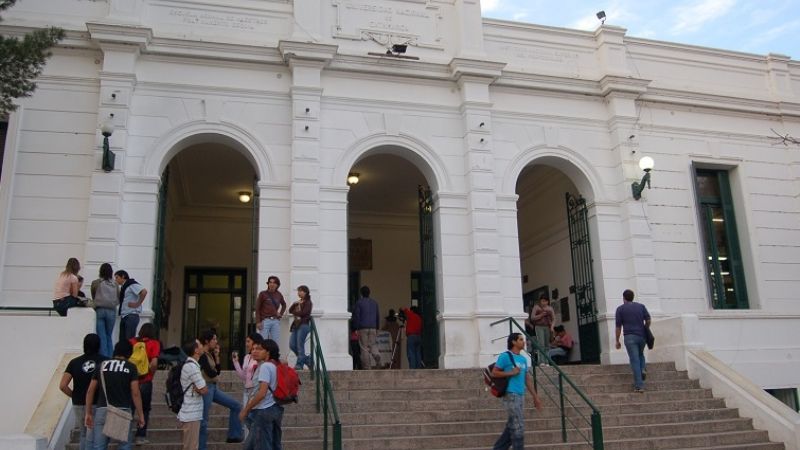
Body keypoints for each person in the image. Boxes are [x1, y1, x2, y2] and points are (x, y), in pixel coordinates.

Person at [84, 340, 145, 450]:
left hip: (103, 409)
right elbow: (135, 392)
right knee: (124, 446)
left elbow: (90, 391)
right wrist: (141, 414)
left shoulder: (101, 365)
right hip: (123, 410)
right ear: (129, 353)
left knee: (99, 447)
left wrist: (88, 413)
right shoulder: (131, 367)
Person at [492, 332, 543, 450]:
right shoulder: (505, 356)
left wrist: (535, 397)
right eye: (520, 339)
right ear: (513, 342)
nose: (523, 342)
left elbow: (527, 379)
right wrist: (511, 372)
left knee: (512, 425)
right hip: (510, 394)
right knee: (518, 426)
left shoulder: (523, 359)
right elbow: (494, 372)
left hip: (520, 395)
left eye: (523, 339)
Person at [60, 333, 107, 450]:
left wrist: (74, 396)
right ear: (99, 345)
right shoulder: (105, 361)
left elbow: (63, 385)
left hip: (78, 404)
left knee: (84, 434)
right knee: (95, 436)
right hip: (97, 403)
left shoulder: (74, 362)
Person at [198, 330, 244, 449]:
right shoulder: (202, 354)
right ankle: (201, 447)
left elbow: (217, 371)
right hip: (206, 387)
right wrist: (215, 372)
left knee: (236, 405)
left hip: (213, 387)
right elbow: (210, 372)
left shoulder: (210, 354)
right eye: (214, 339)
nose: (216, 341)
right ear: (207, 341)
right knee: (203, 420)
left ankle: (234, 435)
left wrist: (217, 356)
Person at [239, 339, 284, 450]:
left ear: (268, 352)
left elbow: (262, 393)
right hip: (276, 407)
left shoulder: (265, 366)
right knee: (275, 444)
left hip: (264, 409)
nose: (258, 351)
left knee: (262, 445)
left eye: (261, 349)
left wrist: (246, 409)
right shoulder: (276, 365)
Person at [129, 323, 160, 444]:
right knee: (145, 409)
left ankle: (125, 433)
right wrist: (151, 374)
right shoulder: (154, 343)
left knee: (130, 408)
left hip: (131, 380)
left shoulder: (132, 341)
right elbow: (154, 363)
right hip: (145, 380)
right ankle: (140, 436)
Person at [615, 289, 651, 393]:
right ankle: (643, 368)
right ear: (632, 297)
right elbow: (648, 320)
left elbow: (618, 327)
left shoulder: (620, 309)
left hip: (629, 337)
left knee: (634, 360)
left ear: (624, 298)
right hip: (642, 336)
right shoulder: (641, 306)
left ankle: (639, 386)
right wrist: (646, 328)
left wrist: (617, 340)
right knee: (640, 354)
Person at [179, 338, 208, 450]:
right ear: (196, 350)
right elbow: (204, 389)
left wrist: (199, 388)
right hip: (191, 414)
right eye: (200, 344)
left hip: (191, 413)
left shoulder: (192, 365)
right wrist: (200, 388)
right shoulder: (192, 367)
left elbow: (201, 388)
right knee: (191, 447)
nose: (202, 346)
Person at [91, 263, 118, 358]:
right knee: (108, 336)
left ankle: (103, 358)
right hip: (111, 311)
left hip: (100, 310)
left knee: (101, 336)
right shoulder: (115, 284)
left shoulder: (96, 282)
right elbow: (118, 296)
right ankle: (109, 358)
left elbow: (93, 296)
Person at [352, 285, 381, 370]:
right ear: (369, 293)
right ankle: (377, 355)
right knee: (373, 345)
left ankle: (367, 367)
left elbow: (357, 316)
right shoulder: (374, 303)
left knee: (364, 348)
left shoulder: (359, 303)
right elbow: (377, 316)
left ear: (361, 293)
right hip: (373, 327)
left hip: (363, 328)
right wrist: (377, 327)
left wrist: (356, 328)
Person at [114, 270, 147, 341]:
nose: (115, 280)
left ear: (123, 276)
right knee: (122, 341)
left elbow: (144, 291)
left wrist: (138, 303)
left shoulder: (131, 284)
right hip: (124, 315)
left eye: (117, 277)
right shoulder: (124, 287)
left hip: (131, 315)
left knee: (129, 340)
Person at [233, 332, 263, 406]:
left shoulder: (261, 358)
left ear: (255, 342)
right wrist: (236, 362)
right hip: (247, 390)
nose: (246, 344)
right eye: (246, 342)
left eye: (248, 341)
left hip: (256, 390)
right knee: (246, 411)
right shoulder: (247, 357)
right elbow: (244, 377)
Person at [288, 285, 313, 370]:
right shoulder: (298, 302)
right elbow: (290, 310)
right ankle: (307, 360)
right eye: (298, 291)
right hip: (296, 325)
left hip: (303, 325)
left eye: (301, 291)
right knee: (292, 345)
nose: (299, 293)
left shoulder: (308, 302)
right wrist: (294, 304)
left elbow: (304, 313)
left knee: (300, 345)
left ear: (305, 292)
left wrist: (295, 312)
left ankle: (299, 364)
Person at [255, 276, 286, 341]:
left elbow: (284, 304)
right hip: (265, 321)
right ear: (268, 284)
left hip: (275, 321)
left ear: (277, 285)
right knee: (263, 341)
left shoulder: (279, 294)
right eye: (270, 282)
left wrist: (280, 314)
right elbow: (257, 308)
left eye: (274, 283)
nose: (272, 284)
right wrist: (258, 322)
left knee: (275, 341)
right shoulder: (263, 294)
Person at [529, 295, 554, 365]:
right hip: (539, 326)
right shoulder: (536, 307)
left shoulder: (550, 308)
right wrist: (541, 315)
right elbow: (532, 318)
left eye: (545, 301)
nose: (544, 303)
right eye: (542, 301)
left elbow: (553, 318)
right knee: (541, 343)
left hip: (547, 327)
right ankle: (541, 361)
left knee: (547, 344)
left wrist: (552, 326)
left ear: (547, 301)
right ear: (540, 301)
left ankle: (547, 361)